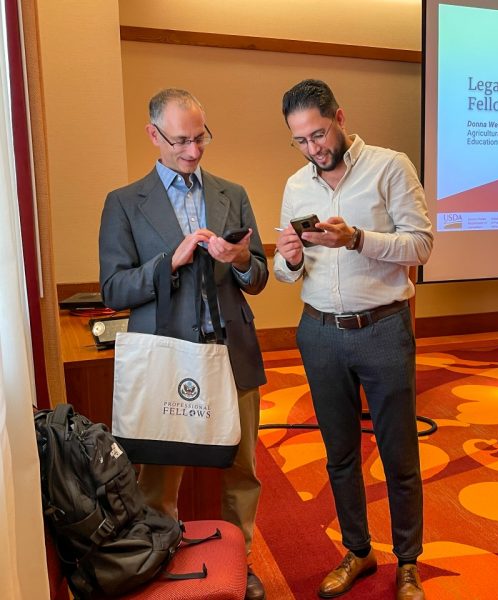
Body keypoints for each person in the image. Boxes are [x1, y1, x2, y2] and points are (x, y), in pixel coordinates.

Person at [99, 88, 268, 600]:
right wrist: (167, 264)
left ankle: (242, 559)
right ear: (154, 136)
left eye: (200, 138)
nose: (193, 151)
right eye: (181, 141)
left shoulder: (231, 192)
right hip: (165, 358)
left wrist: (238, 260)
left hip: (230, 351)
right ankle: (159, 559)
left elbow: (257, 274)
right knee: (158, 478)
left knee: (243, 469)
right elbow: (113, 288)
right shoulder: (125, 202)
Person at [274, 79, 432, 600]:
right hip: (319, 331)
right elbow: (282, 269)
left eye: (318, 134)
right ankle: (358, 551)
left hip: (382, 328)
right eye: (300, 140)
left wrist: (357, 239)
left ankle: (407, 561)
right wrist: (292, 257)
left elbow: (422, 244)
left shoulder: (390, 166)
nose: (313, 148)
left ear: (339, 116)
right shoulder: (297, 185)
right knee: (339, 454)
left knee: (398, 454)